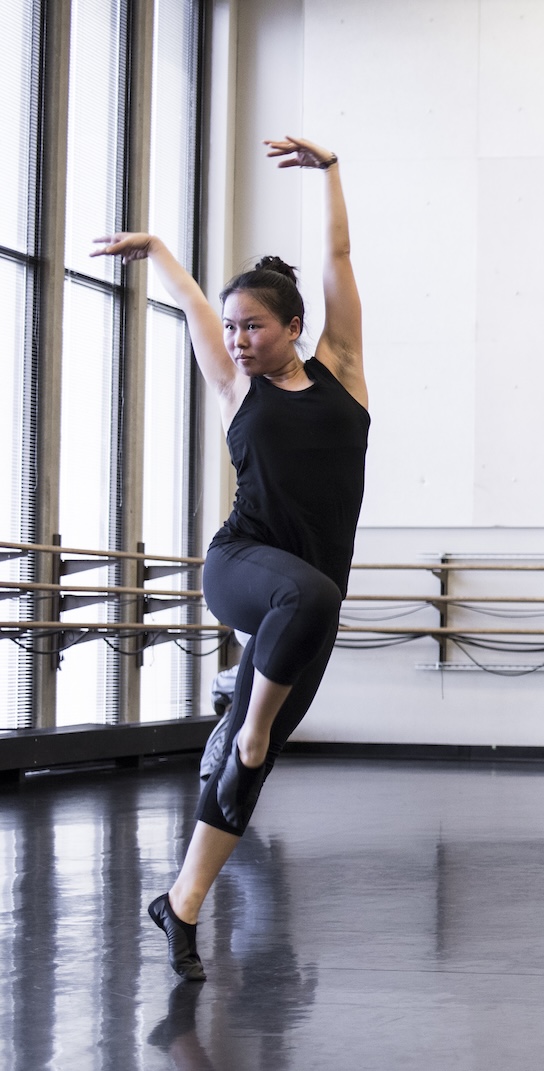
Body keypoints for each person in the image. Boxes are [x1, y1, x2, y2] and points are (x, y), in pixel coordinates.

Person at [95, 135, 368, 982]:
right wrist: (163, 256)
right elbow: (191, 308)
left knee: (258, 761)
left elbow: (337, 257)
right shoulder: (236, 388)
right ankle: (243, 727)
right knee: (268, 703)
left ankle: (179, 902)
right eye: (234, 326)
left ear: (295, 327)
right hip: (244, 565)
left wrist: (329, 172)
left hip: (307, 604)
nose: (240, 338)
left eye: (256, 325)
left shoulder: (344, 372)